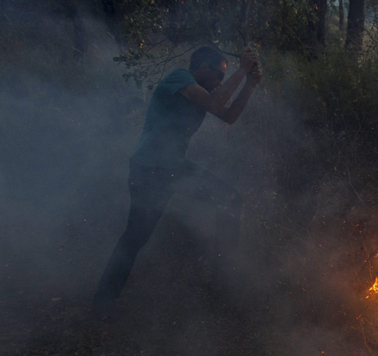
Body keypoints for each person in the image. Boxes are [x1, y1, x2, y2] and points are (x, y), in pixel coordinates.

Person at [92, 46, 262, 318]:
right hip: (148, 168)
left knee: (230, 200)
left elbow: (228, 116)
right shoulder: (180, 77)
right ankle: (103, 301)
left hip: (173, 167)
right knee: (136, 236)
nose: (220, 80)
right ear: (202, 69)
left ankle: (221, 282)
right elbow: (216, 103)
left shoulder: (204, 94)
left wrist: (250, 84)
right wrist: (242, 70)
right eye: (219, 73)